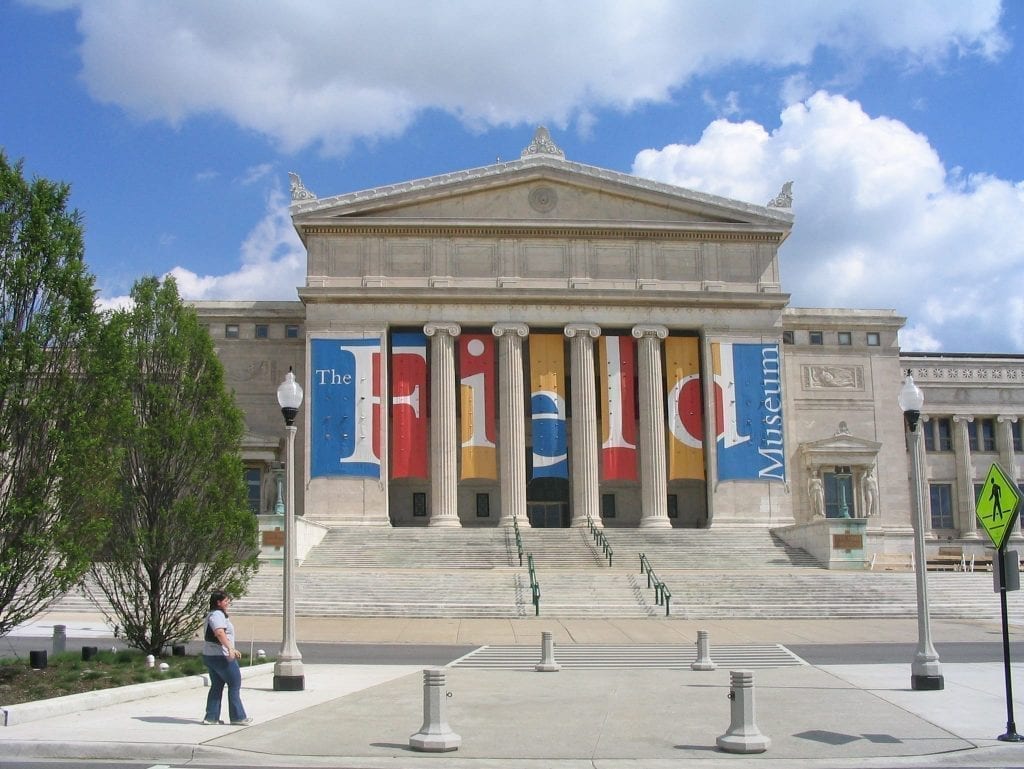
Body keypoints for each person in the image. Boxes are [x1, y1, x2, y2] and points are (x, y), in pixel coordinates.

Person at [202, 590, 252, 725]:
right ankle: (238, 717)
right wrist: (230, 648)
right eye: (225, 601)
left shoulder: (211, 614)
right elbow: (219, 632)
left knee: (217, 685)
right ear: (218, 602)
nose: (228, 603)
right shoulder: (217, 614)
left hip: (210, 656)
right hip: (221, 656)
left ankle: (211, 717)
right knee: (234, 684)